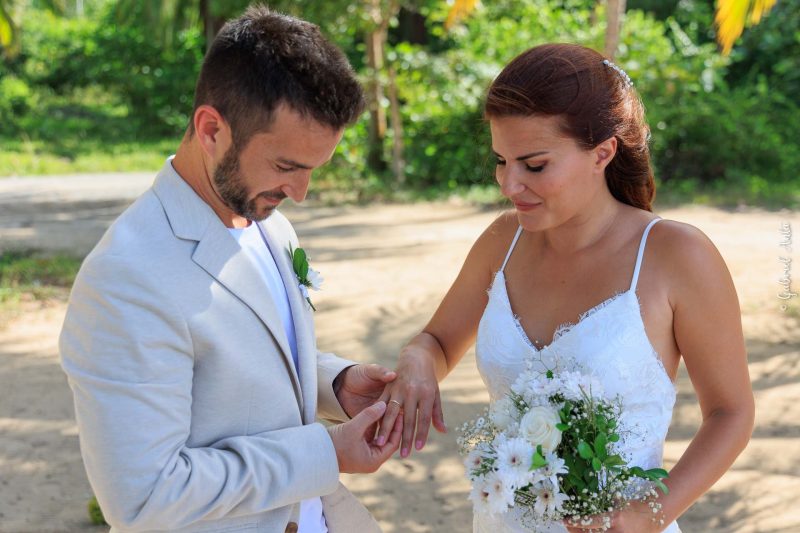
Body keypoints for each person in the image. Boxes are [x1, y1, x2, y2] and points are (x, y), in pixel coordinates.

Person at [376, 43, 755, 532]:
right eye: (501, 160)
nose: (509, 185)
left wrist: (649, 514)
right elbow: (438, 342)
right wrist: (416, 357)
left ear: (603, 153)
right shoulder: (501, 242)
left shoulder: (676, 255)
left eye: (534, 165)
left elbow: (730, 412)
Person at [59, 7, 403, 533]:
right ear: (211, 129)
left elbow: (242, 356)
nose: (300, 193)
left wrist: (335, 383)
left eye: (314, 169)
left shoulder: (269, 223)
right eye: (286, 166)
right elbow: (143, 497)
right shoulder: (125, 278)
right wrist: (327, 451)